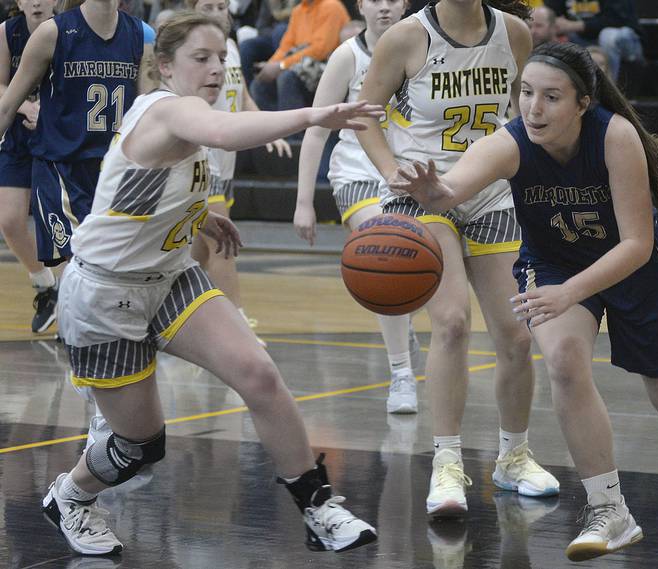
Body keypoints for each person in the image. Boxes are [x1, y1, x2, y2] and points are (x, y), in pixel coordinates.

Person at [388, 41, 658, 561]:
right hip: (554, 264)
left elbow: (637, 244)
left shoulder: (615, 136)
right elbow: (452, 190)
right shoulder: (513, 141)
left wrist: (571, 292)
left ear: (582, 102)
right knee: (564, 361)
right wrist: (432, 191)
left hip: (630, 266)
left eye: (551, 97)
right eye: (525, 93)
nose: (533, 108)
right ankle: (609, 509)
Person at [39, 11, 382, 556]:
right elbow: (223, 131)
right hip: (105, 295)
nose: (216, 69)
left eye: (221, 58)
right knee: (140, 446)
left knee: (259, 375)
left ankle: (320, 508)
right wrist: (319, 112)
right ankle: (72, 496)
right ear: (164, 66)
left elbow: (138, 192)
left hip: (171, 277)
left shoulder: (184, 117)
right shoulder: (170, 111)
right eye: (200, 58)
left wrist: (199, 217)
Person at [357, 0, 560, 518]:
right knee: (450, 324)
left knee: (516, 333)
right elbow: (365, 116)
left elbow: (521, 113)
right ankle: (446, 461)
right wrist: (391, 172)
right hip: (422, 193)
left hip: (491, 191)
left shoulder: (513, 32)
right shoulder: (405, 38)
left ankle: (513, 455)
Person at [294, 0, 422, 413]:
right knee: (385, 251)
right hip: (357, 173)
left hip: (407, 170)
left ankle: (401, 316)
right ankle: (401, 373)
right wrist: (303, 203)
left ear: (403, 4)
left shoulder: (423, 45)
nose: (384, 7)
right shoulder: (347, 56)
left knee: (411, 271)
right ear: (361, 5)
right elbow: (315, 132)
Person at [0, 0, 156, 270]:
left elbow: (150, 116)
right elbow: (6, 109)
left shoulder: (142, 35)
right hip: (61, 172)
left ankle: (62, 306)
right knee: (87, 267)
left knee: (107, 276)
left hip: (114, 173)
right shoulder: (52, 33)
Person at [187, 0, 291, 347]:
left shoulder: (229, 47)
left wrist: (267, 128)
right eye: (208, 5)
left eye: (221, 5)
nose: (216, 11)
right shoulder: (194, 55)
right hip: (202, 162)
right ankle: (237, 324)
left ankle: (171, 311)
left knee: (196, 256)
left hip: (225, 165)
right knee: (222, 247)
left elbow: (243, 95)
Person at [0, 0, 59, 333]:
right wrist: (26, 109)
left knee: (57, 222)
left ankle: (74, 304)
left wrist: (48, 115)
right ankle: (45, 285)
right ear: (19, 2)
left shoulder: (69, 30)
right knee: (8, 220)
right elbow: (0, 87)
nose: (37, 1)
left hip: (56, 136)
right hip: (18, 134)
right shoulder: (7, 34)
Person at [249, 0, 349, 115]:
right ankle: (275, 131)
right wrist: (269, 66)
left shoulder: (332, 6)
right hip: (300, 66)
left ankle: (293, 131)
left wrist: (282, 65)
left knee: (287, 78)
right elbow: (285, 47)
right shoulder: (298, 11)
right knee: (260, 84)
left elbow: (320, 51)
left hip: (327, 69)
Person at [546, 0, 643, 81]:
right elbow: (551, 13)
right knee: (541, 26)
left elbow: (618, 20)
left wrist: (574, 26)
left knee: (607, 35)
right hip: (580, 38)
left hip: (626, 42)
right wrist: (554, 25)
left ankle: (610, 93)